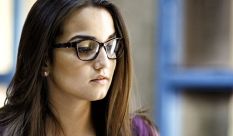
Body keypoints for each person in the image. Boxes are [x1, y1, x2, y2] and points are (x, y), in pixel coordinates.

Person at [0, 0, 159, 135]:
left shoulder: (138, 132)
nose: (104, 63)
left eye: (110, 46)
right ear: (44, 60)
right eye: (85, 48)